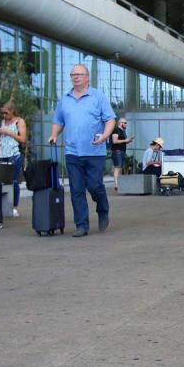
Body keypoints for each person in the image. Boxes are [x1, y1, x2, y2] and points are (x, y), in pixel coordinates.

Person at [49, 64, 115, 237]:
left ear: (87, 77)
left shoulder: (98, 97)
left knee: (95, 186)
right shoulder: (64, 99)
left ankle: (102, 209)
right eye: (72, 75)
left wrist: (104, 136)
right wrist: (54, 135)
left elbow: (110, 120)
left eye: (78, 74)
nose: (75, 77)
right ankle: (82, 225)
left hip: (94, 151)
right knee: (76, 189)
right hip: (72, 152)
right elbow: (58, 121)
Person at [0, 100, 27, 217]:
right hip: (3, 153)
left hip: (15, 154)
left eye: (6, 113)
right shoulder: (3, 122)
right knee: (1, 181)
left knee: (13, 180)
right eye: (2, 113)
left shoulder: (19, 121)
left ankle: (14, 206)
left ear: (12, 111)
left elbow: (23, 139)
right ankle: (2, 206)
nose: (4, 116)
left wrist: (8, 132)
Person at [110, 117, 133, 192]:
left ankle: (119, 185)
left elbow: (123, 141)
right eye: (125, 123)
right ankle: (116, 186)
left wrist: (128, 141)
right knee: (117, 168)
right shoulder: (116, 130)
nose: (126, 124)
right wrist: (125, 140)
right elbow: (115, 141)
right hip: (117, 151)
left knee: (120, 168)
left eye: (126, 123)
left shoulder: (123, 131)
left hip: (122, 151)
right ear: (121, 123)